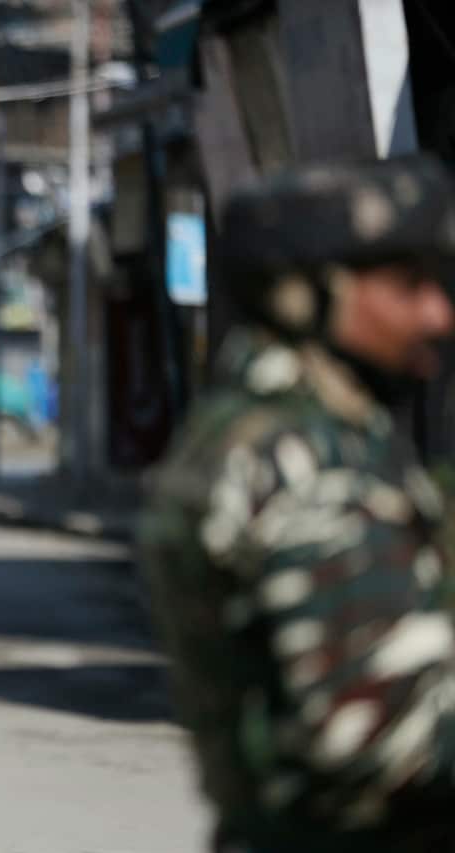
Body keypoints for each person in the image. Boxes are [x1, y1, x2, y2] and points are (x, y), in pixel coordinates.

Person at [140, 155, 455, 852]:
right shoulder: (298, 462)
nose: (437, 312)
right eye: (408, 285)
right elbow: (377, 734)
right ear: (306, 293)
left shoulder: (283, 432)